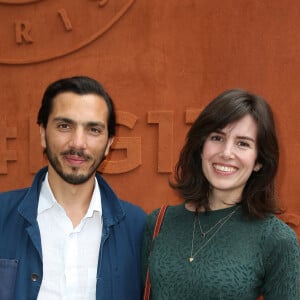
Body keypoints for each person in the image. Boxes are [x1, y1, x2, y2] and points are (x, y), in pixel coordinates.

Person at [142, 89, 299, 299]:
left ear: (259, 161)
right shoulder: (160, 222)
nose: (226, 153)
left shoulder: (276, 239)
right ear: (201, 147)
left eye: (243, 143)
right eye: (217, 137)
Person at [0, 76, 146, 300]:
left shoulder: (138, 228)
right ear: (42, 134)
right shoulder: (2, 214)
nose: (78, 143)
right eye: (64, 126)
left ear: (109, 144)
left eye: (93, 130)